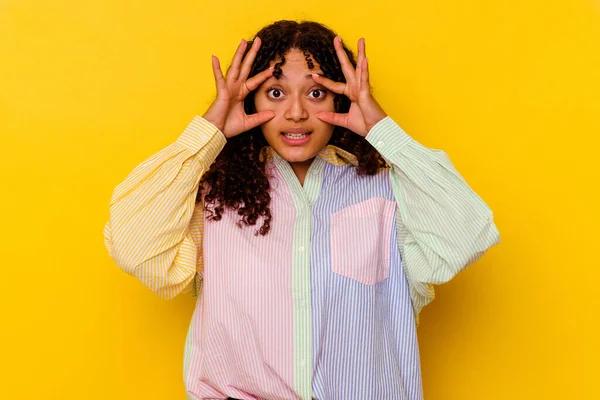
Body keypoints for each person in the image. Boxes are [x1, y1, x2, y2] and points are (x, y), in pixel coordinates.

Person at [103, 19, 500, 400]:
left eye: (315, 93)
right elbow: (135, 245)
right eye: (276, 93)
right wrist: (210, 132)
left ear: (340, 96)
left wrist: (383, 131)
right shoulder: (215, 195)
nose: (296, 113)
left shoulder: (388, 189)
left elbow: (467, 236)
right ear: (251, 98)